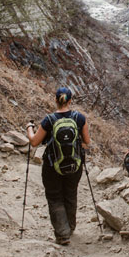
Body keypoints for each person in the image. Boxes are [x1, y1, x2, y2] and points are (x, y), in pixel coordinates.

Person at [27, 87, 91, 245]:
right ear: (70, 101)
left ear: (55, 100)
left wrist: (29, 129)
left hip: (52, 166)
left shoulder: (49, 120)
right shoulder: (79, 118)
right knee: (70, 194)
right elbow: (87, 143)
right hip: (74, 166)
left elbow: (34, 141)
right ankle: (70, 226)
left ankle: (63, 234)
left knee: (55, 197)